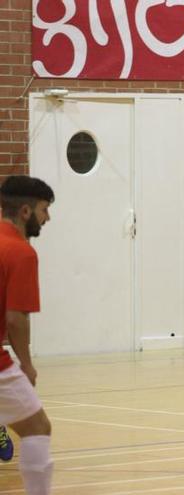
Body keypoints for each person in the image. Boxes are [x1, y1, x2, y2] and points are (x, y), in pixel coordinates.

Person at [0, 175, 55, 494]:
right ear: (25, 211)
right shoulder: (20, 252)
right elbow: (16, 319)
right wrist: (27, 365)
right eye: (44, 209)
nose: (47, 218)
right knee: (37, 427)